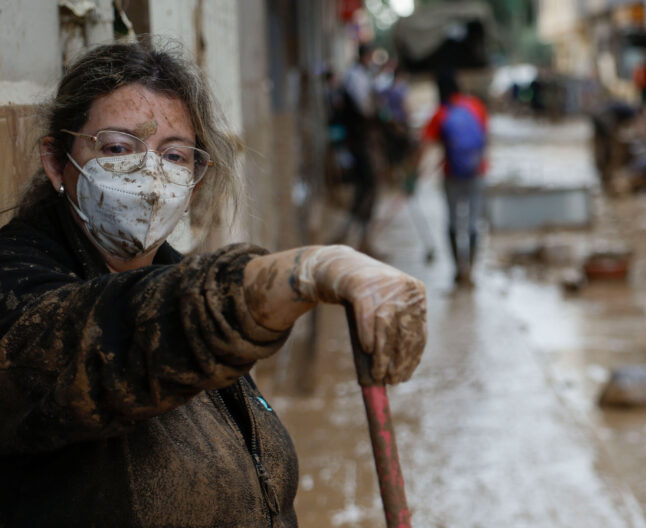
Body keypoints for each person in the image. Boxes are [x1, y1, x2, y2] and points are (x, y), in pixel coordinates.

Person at [0, 40, 427, 527]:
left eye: (175, 155)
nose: (151, 175)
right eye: (118, 148)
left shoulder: (172, 274)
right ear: (57, 161)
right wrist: (285, 278)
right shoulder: (15, 281)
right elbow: (97, 341)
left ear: (195, 178)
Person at [418, 70, 488, 285]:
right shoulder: (476, 106)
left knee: (453, 222)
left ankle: (459, 270)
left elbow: (426, 145)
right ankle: (472, 270)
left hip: (452, 174)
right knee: (474, 222)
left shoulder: (440, 113)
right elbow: (485, 138)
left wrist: (415, 175)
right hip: (478, 171)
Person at [329, 44, 380, 256]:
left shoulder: (358, 76)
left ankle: (358, 239)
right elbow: (365, 109)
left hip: (357, 139)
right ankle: (354, 239)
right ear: (365, 57)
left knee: (366, 188)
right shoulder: (356, 77)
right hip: (356, 141)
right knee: (367, 185)